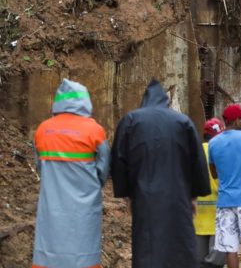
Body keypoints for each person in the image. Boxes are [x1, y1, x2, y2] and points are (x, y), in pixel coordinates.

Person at [111, 79, 211, 267]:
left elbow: (118, 159)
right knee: (179, 245)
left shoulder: (131, 121)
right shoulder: (182, 121)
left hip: (144, 197)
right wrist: (194, 196)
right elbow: (197, 162)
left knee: (147, 245)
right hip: (178, 196)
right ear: (165, 100)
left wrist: (127, 194)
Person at [33, 79, 110, 268]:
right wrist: (92, 186)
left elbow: (40, 166)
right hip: (85, 203)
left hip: (51, 203)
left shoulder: (43, 129)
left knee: (49, 243)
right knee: (84, 246)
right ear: (85, 101)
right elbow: (104, 167)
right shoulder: (95, 130)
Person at [209, 104, 241, 268]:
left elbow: (214, 173)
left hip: (225, 201)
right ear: (236, 120)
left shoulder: (213, 142)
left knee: (230, 249)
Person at [195, 118, 227, 268]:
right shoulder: (223, 150)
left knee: (198, 259)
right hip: (219, 213)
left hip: (197, 215)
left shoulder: (194, 150)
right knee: (216, 261)